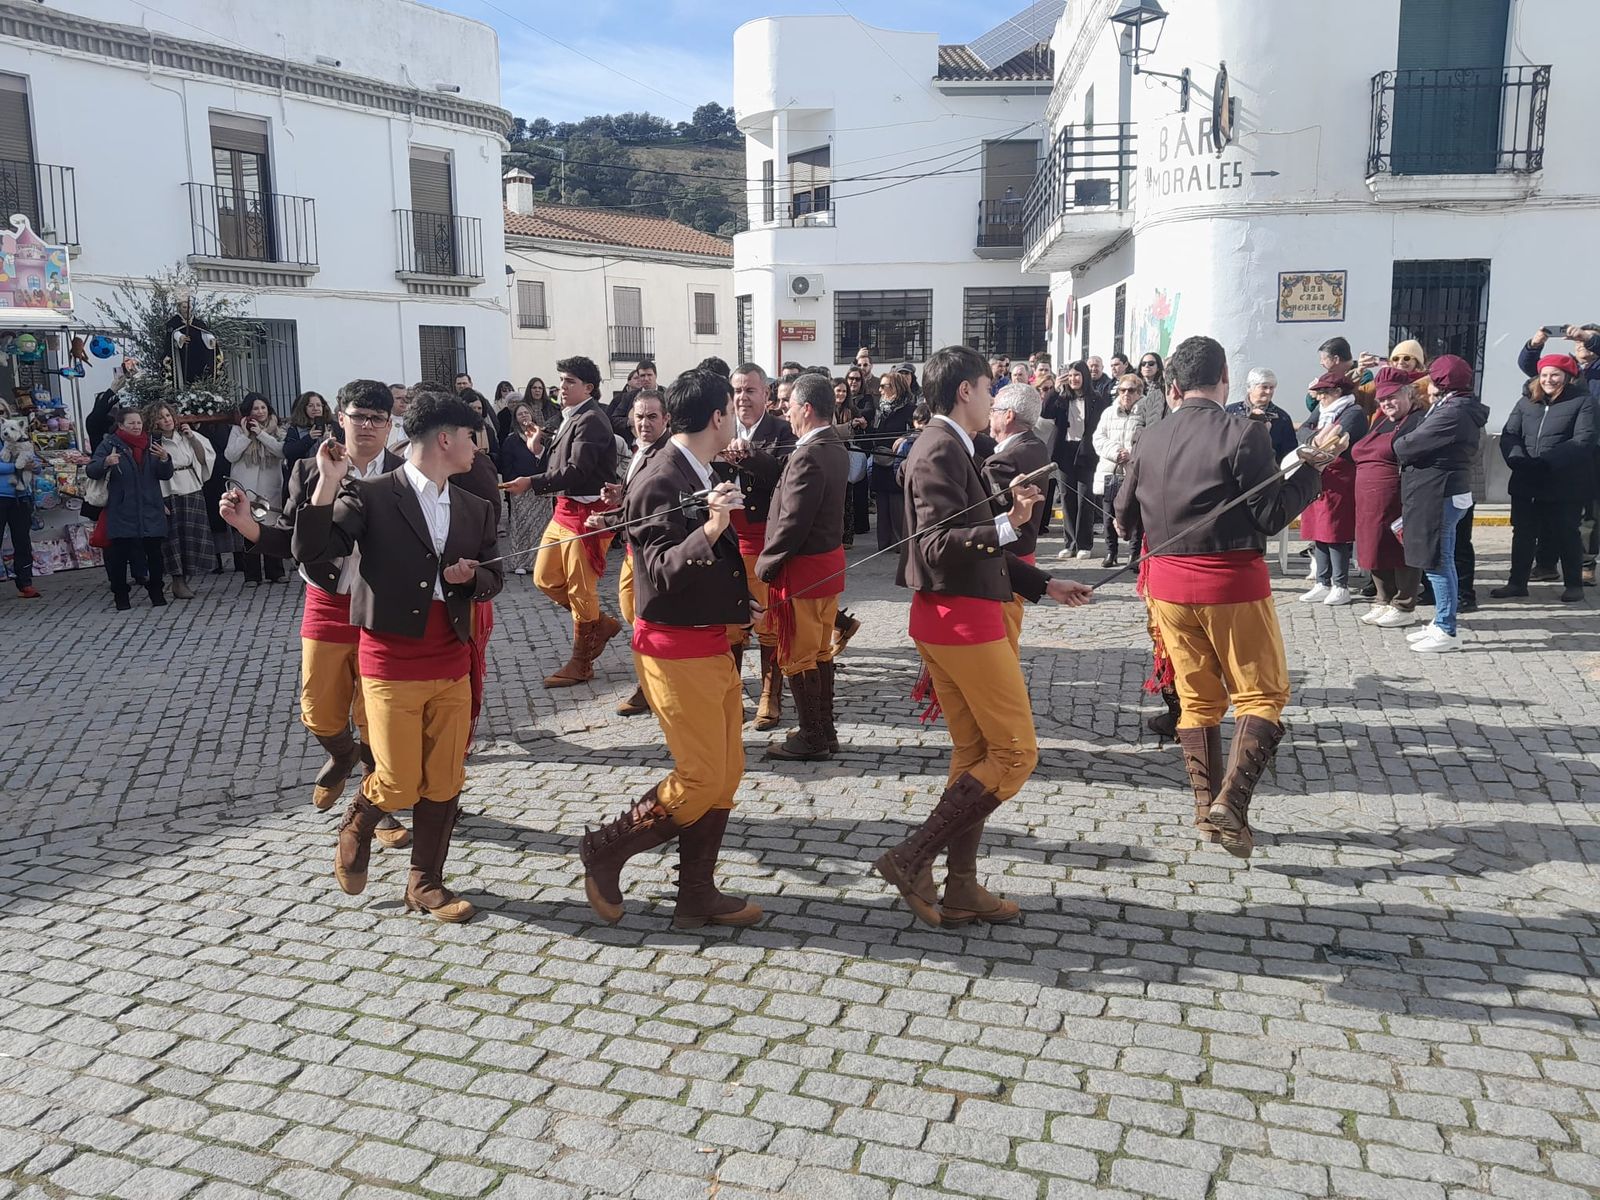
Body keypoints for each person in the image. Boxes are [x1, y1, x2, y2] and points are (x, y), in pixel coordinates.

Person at [878, 345, 1093, 928]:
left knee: (975, 754)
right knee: (1017, 753)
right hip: (961, 623)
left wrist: (1043, 582)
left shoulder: (953, 444)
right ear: (965, 391)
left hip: (959, 616)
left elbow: (974, 542)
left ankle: (962, 886)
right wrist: (1009, 522)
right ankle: (912, 856)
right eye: (988, 387)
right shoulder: (938, 447)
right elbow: (934, 546)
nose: (996, 398)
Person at [1114, 335, 1331, 858]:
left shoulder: (1148, 438)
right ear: (1225, 379)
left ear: (1172, 386)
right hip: (1229, 580)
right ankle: (1230, 804)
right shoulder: (1244, 433)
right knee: (1262, 695)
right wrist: (1315, 470)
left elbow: (1123, 520)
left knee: (1197, 699)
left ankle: (1204, 811)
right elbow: (1271, 515)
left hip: (1165, 587)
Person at [292, 389, 501, 923]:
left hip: (450, 658)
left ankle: (425, 883)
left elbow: (494, 575)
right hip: (389, 660)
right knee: (398, 777)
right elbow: (313, 552)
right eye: (473, 438)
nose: (479, 448)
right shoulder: (372, 494)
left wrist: (472, 576)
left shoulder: (475, 504)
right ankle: (359, 823)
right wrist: (327, 484)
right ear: (447, 439)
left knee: (445, 778)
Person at [579, 368, 761, 929]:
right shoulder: (661, 478)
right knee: (702, 774)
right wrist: (710, 528)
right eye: (731, 407)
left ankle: (696, 893)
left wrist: (739, 603)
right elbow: (656, 571)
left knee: (727, 771)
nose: (735, 416)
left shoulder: (699, 468)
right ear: (716, 416)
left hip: (709, 639)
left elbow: (710, 563)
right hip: (673, 648)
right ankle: (608, 849)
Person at [219, 379, 412, 851]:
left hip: (380, 606)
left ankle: (376, 803)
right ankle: (341, 755)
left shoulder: (408, 474)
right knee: (319, 710)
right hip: (326, 600)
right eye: (356, 416)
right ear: (338, 419)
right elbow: (291, 536)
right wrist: (247, 525)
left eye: (376, 418)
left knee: (376, 713)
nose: (365, 426)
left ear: (390, 425)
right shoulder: (308, 469)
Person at [504, 355, 622, 687]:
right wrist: (539, 448)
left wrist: (531, 481)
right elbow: (562, 461)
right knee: (543, 578)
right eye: (561, 380)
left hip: (588, 515)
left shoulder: (593, 420)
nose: (561, 387)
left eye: (569, 381)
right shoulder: (570, 415)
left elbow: (576, 470)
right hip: (564, 509)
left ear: (589, 387)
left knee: (580, 589)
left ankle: (581, 662)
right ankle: (601, 624)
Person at [756, 373, 849, 761]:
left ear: (806, 409)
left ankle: (812, 735)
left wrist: (766, 563)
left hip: (803, 571)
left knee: (798, 654)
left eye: (790, 405)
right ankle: (823, 730)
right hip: (825, 568)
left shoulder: (809, 453)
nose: (786, 412)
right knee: (821, 651)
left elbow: (793, 521)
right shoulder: (834, 444)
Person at [1396, 356, 1490, 651]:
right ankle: (1440, 621)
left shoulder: (1454, 411)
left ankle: (1447, 628)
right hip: (1440, 490)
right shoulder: (1454, 405)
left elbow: (1407, 444)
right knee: (1440, 557)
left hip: (1440, 491)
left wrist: (1403, 442)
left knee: (1437, 560)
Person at [721, 363, 796, 731]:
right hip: (723, 537)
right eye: (737, 390)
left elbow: (784, 474)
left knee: (766, 620)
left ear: (767, 394)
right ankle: (731, 692)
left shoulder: (781, 429)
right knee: (730, 622)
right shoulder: (720, 426)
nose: (742, 397)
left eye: (750, 390)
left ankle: (770, 692)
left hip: (759, 537)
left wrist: (750, 455)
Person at [1493, 352, 1597, 604]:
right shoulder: (1526, 402)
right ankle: (1517, 582)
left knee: (1566, 533)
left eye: (1555, 375)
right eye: (1545, 374)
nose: (1549, 379)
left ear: (1568, 377)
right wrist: (1516, 457)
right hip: (1526, 479)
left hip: (1564, 482)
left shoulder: (1584, 402)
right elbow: (1510, 434)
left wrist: (1547, 462)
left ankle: (1573, 584)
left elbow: (1583, 439)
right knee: (1523, 533)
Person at [604, 388, 670, 717]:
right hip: (632, 551)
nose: (644, 423)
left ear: (666, 419)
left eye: (652, 417)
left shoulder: (664, 455)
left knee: (644, 621)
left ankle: (650, 685)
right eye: (640, 416)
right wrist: (617, 501)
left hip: (650, 554)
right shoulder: (640, 449)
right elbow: (635, 500)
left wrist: (614, 515)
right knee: (630, 613)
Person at [1352, 367, 1426, 628]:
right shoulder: (1382, 420)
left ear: (1408, 394)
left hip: (1398, 496)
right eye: (1382, 400)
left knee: (1400, 550)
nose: (1387, 403)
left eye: (1393, 397)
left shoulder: (1417, 420)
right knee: (1373, 547)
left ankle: (1404, 604)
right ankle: (1383, 599)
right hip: (1368, 500)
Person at [981, 382, 1051, 651]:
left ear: (1008, 415)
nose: (990, 415)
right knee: (1008, 633)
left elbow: (982, 518)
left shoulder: (1004, 461)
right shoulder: (1035, 446)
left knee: (1000, 640)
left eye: (994, 409)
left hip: (1004, 562)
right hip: (1024, 553)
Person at [87, 405, 172, 610]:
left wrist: (165, 459)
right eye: (131, 423)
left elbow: (164, 474)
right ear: (121, 425)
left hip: (150, 507)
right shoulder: (110, 444)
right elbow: (91, 469)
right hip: (121, 509)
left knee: (154, 555)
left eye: (139, 422)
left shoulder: (151, 443)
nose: (136, 426)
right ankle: (121, 596)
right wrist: (106, 462)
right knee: (119, 557)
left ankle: (157, 592)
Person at [1298, 371, 1369, 605]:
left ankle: (1341, 584)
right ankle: (1322, 580)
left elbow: (1334, 440)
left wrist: (1316, 438)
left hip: (1340, 476)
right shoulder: (1324, 409)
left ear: (1337, 392)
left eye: (1324, 393)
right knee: (1318, 530)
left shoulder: (1353, 412)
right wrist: (1315, 437)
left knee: (1335, 532)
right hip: (1319, 473)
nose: (1319, 398)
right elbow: (1303, 431)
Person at [147, 402, 216, 599]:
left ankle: (185, 577)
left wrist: (192, 438)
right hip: (167, 490)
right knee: (172, 539)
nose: (166, 420)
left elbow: (204, 459)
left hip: (190, 487)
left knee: (191, 535)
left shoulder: (184, 437)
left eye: (168, 415)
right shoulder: (154, 442)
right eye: (160, 417)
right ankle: (177, 580)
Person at [1042, 360, 1106, 559]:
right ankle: (1069, 543)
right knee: (1068, 498)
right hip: (1065, 451)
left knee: (1085, 498)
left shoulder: (1097, 399)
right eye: (1070, 376)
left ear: (1084, 377)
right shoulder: (1062, 398)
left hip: (1086, 451)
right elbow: (1046, 412)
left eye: (1077, 375)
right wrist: (1055, 389)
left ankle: (1084, 543)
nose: (1073, 379)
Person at [225, 393, 287, 584]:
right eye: (255, 409)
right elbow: (230, 455)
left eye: (262, 408)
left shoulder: (278, 429)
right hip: (246, 486)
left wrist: (261, 434)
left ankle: (275, 572)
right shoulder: (237, 430)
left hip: (270, 486)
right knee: (248, 528)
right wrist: (246, 435)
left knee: (271, 528)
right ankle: (252, 574)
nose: (259, 412)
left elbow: (280, 450)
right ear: (248, 411)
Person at [1091, 375, 1144, 569]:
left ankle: (1134, 555)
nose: (1126, 394)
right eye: (1122, 390)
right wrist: (1115, 452)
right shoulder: (1108, 412)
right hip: (1111, 469)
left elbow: (1151, 438)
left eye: (1131, 390)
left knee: (1137, 516)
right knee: (1108, 514)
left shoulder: (1146, 412)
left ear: (1139, 392)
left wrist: (1132, 454)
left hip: (1135, 469)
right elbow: (1098, 438)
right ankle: (1111, 552)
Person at [871, 371, 916, 550]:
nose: (880, 390)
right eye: (880, 386)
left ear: (896, 387)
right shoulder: (879, 409)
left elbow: (919, 430)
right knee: (882, 503)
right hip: (879, 459)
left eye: (884, 386)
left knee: (897, 504)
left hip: (898, 461)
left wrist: (906, 438)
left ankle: (900, 543)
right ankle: (884, 543)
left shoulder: (910, 409)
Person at [0, 420, 40, 599]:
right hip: (1, 496)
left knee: (22, 541)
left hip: (21, 497)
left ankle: (25, 582)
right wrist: (17, 466)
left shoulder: (24, 440)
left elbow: (35, 462)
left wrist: (35, 465)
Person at [1226, 369, 1298, 461]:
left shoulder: (1282, 418)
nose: (1268, 391)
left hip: (1269, 473)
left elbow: (1289, 453)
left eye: (1271, 388)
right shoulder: (1230, 412)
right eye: (1264, 387)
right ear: (1250, 388)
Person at [283, 391, 331, 479]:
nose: (315, 408)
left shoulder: (333, 426)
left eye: (318, 405)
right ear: (303, 408)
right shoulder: (294, 429)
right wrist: (309, 438)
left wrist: (330, 443)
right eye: (310, 406)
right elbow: (288, 452)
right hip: (304, 478)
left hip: (328, 476)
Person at [459, 388, 500, 464]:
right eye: (473, 408)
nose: (477, 411)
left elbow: (497, 454)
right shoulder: (458, 430)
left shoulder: (488, 430)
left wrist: (489, 456)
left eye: (479, 408)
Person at [1134, 352, 1168, 427]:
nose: (1147, 366)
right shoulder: (1133, 387)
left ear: (1158, 367)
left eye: (1151, 363)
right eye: (1143, 363)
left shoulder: (1164, 388)